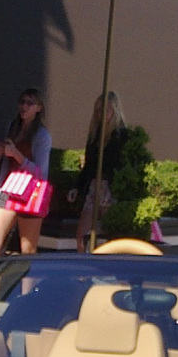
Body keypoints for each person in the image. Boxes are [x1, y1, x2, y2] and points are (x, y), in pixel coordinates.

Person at [0, 88, 53, 257]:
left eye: (30, 103)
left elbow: (40, 173)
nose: (24, 107)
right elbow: (4, 162)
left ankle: (27, 284)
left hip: (30, 194)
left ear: (39, 108)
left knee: (27, 251)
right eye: (22, 102)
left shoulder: (42, 136)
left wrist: (16, 154)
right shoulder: (13, 127)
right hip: (9, 190)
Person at [67, 91, 129, 252]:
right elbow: (88, 166)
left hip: (111, 188)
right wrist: (77, 187)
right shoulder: (95, 136)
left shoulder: (122, 136)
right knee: (82, 235)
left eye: (106, 109)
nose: (102, 114)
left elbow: (124, 166)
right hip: (94, 186)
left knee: (107, 236)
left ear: (115, 110)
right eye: (99, 110)